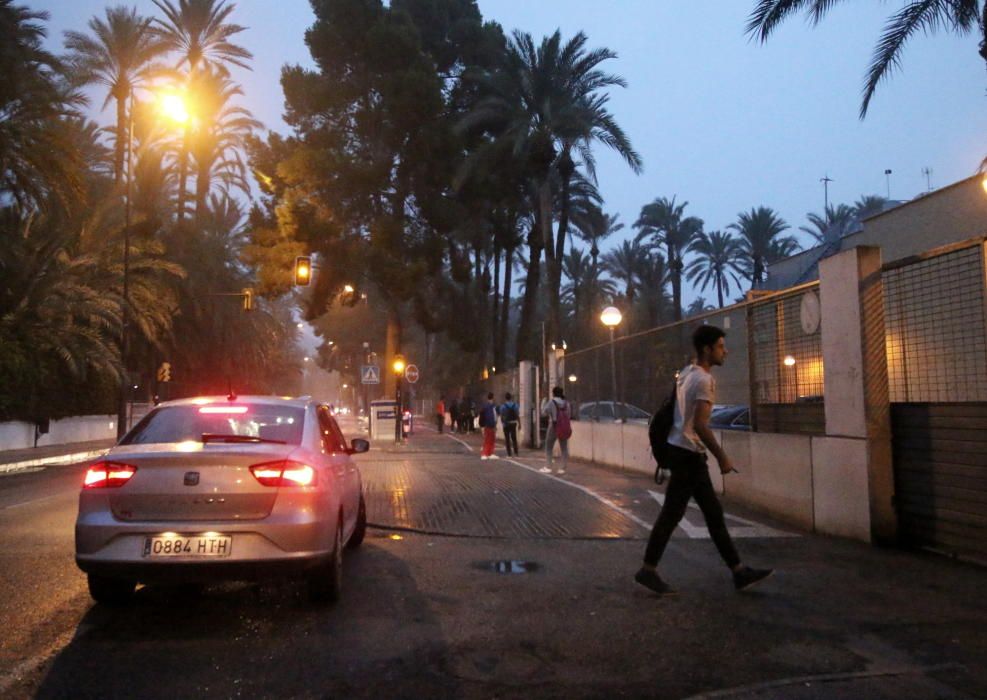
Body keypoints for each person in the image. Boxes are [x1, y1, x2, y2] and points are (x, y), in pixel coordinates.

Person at [635, 325, 773, 597]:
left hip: (680, 450)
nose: (726, 351)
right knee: (680, 515)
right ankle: (649, 569)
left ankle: (738, 571)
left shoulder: (686, 373)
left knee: (708, 514)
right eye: (721, 346)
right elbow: (699, 424)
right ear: (707, 349)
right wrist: (722, 456)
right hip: (688, 455)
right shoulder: (704, 380)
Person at [541, 386, 570, 475]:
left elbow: (544, 413)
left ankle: (548, 466)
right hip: (564, 426)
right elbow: (569, 415)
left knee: (549, 447)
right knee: (564, 448)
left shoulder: (551, 402)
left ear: (553, 393)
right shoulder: (566, 403)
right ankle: (563, 468)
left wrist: (543, 403)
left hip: (553, 425)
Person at [478, 392, 499, 460]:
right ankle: (487, 453)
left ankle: (488, 453)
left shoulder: (485, 406)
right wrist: (495, 424)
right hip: (491, 424)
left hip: (487, 424)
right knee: (490, 440)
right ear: (493, 397)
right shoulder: (493, 406)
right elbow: (495, 416)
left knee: (488, 439)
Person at [500, 392, 520, 457]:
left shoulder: (503, 406)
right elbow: (517, 415)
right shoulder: (515, 405)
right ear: (511, 398)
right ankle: (516, 452)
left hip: (506, 424)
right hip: (513, 423)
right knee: (514, 438)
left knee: (507, 439)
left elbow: (502, 416)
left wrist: (503, 423)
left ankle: (509, 453)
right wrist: (519, 423)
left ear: (505, 398)